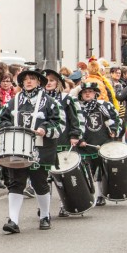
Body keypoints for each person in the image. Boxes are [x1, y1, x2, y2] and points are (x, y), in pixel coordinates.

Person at [0, 68, 62, 232]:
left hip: (41, 148)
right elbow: (2, 120)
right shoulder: (13, 101)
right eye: (25, 79)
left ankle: (45, 216)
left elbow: (59, 124)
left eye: (32, 78)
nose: (28, 81)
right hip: (17, 148)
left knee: (40, 183)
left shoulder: (49, 102)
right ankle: (13, 220)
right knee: (16, 183)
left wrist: (45, 129)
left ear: (39, 82)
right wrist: (8, 127)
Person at [74, 80, 121, 206]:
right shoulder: (77, 107)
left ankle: (100, 195)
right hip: (85, 145)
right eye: (85, 92)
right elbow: (74, 124)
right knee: (87, 171)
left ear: (95, 93)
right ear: (81, 94)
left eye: (90, 92)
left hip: (103, 143)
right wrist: (79, 139)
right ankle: (89, 196)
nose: (87, 94)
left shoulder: (105, 105)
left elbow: (116, 119)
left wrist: (115, 130)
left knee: (101, 171)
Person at [43, 69, 82, 218]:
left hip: (63, 140)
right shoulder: (41, 99)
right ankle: (44, 208)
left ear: (58, 83)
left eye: (52, 80)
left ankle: (64, 205)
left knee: (63, 176)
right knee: (45, 177)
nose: (49, 83)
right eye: (46, 80)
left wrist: (74, 135)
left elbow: (74, 119)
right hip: (45, 142)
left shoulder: (66, 99)